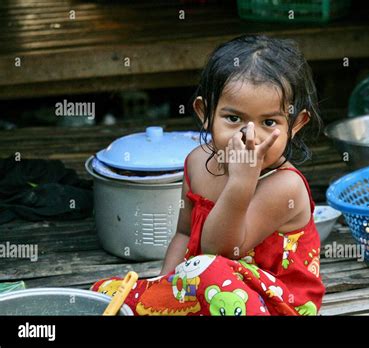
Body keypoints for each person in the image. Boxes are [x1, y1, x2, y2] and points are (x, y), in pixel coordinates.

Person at [92, 34, 325, 316]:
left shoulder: (284, 185)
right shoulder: (196, 162)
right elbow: (184, 232)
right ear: (205, 113)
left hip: (275, 305)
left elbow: (221, 250)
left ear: (295, 124)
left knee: (210, 270)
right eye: (233, 118)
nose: (249, 135)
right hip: (203, 288)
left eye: (268, 122)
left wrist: (241, 181)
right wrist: (163, 286)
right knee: (104, 293)